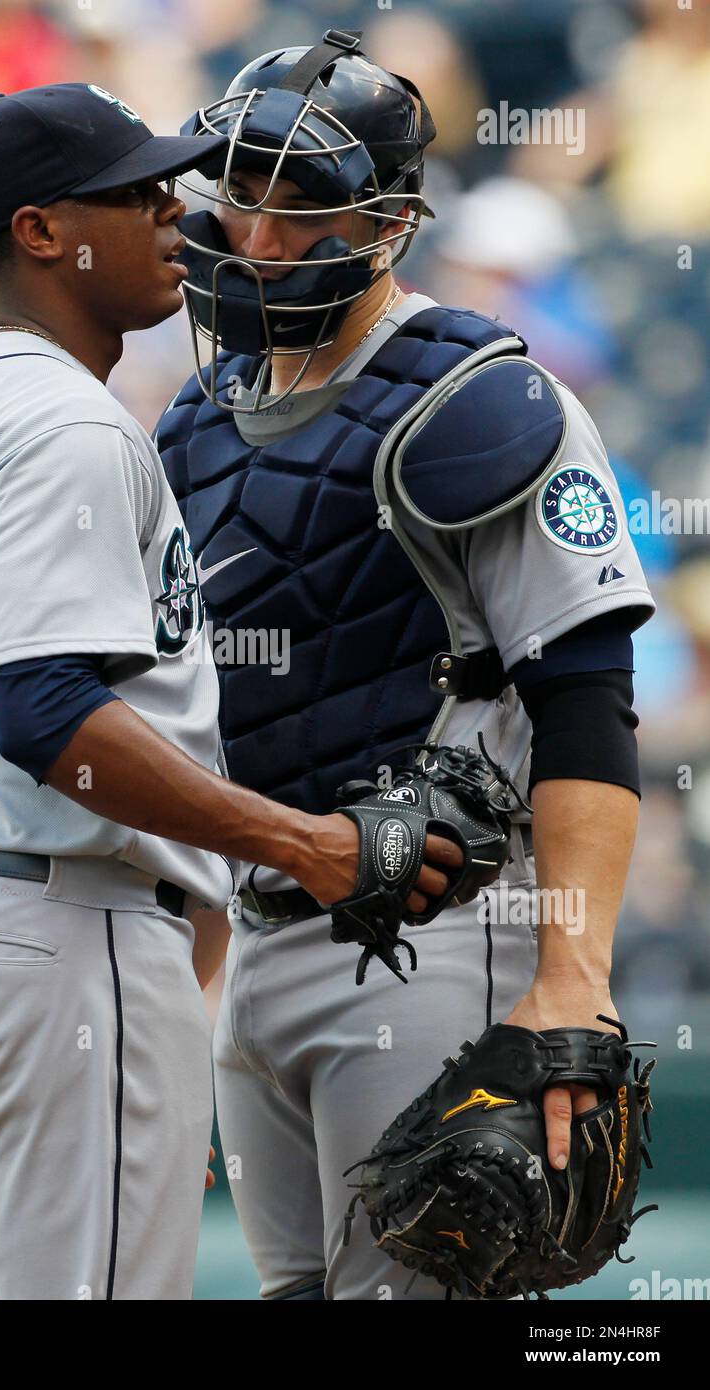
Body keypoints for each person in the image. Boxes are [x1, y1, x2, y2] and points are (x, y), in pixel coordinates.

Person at [0, 81, 460, 1301]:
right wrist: (300, 841)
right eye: (136, 191)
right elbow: (49, 714)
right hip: (63, 939)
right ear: (42, 232)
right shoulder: (70, 424)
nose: (175, 211)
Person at [155, 30, 656, 1300]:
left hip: (429, 939)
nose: (260, 234)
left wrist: (574, 985)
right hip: (256, 943)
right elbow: (214, 737)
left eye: (304, 199)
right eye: (241, 184)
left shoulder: (479, 400)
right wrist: (191, 999)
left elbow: (587, 700)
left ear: (387, 226)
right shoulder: (192, 421)